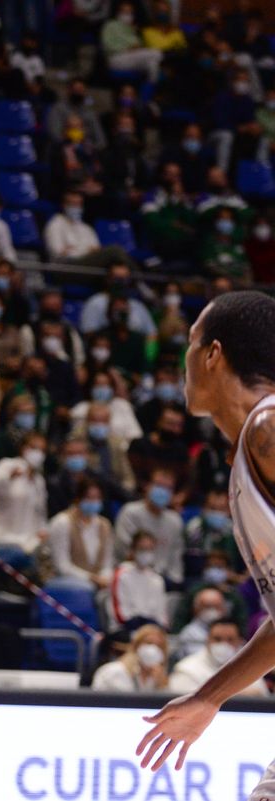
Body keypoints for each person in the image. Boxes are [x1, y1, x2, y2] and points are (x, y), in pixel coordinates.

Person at [138, 292, 275, 783]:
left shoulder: (268, 425)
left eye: (190, 344)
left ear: (213, 354)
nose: (184, 362)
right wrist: (208, 696)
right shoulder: (250, 451)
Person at [0, 431, 48, 557]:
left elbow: (40, 511)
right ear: (23, 448)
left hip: (26, 540)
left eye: (42, 450)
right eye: (34, 448)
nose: (38, 453)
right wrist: (8, 477)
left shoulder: (39, 480)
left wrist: (42, 530)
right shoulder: (7, 465)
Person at [114, 467, 184, 586]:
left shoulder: (175, 521)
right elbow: (124, 550)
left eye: (168, 488)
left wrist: (175, 581)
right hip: (132, 575)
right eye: (159, 485)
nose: (163, 491)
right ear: (147, 486)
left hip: (163, 579)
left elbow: (176, 557)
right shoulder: (130, 512)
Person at [46, 477, 115, 589]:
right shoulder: (62, 522)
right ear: (78, 499)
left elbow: (107, 563)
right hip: (66, 581)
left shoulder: (105, 525)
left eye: (97, 498)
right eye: (89, 498)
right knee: (85, 588)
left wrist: (104, 578)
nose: (94, 502)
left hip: (97, 581)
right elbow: (62, 566)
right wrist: (91, 578)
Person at [168, 619, 268, 697]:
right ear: (207, 641)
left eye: (230, 640)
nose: (224, 644)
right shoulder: (186, 668)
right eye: (217, 639)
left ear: (239, 642)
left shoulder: (251, 667)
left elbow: (260, 695)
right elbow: (184, 701)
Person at [111, 530, 170, 631]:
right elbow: (120, 614)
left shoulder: (157, 580)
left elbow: (161, 616)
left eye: (149, 549)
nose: (146, 553)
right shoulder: (121, 575)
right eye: (142, 549)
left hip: (151, 630)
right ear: (133, 550)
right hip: (125, 629)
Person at [91, 624, 170, 691]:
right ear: (136, 646)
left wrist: (162, 685)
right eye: (149, 643)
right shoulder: (112, 671)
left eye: (159, 646)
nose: (153, 649)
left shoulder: (161, 679)